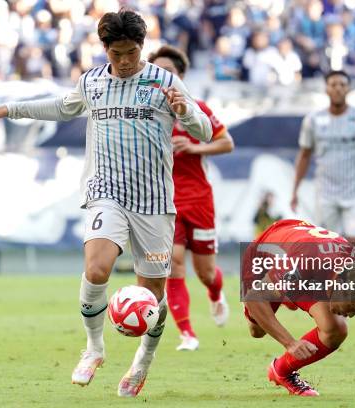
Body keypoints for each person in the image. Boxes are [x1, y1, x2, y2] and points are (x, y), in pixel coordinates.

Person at [0, 9, 212, 398]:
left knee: (152, 296)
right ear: (105, 50)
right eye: (116, 54)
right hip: (106, 193)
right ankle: (93, 348)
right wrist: (11, 109)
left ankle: (142, 362)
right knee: (97, 268)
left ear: (142, 47)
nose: (124, 61)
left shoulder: (165, 81)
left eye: (131, 52)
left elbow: (203, 127)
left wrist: (184, 112)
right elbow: (60, 107)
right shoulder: (93, 82)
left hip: (153, 202)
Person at [242, 219, 355, 400]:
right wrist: (290, 343)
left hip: (307, 270)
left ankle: (281, 371)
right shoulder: (305, 261)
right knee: (257, 330)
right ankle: (285, 294)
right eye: (352, 309)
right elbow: (253, 299)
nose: (351, 315)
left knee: (336, 328)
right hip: (266, 252)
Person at [148, 45, 234, 351]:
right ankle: (187, 333)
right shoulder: (146, 113)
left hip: (199, 199)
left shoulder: (197, 109)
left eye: (168, 72)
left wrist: (195, 148)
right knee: (174, 264)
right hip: (164, 201)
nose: (162, 77)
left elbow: (227, 143)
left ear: (181, 76)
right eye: (156, 72)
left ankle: (215, 293)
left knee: (207, 273)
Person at [291, 70, 355, 248]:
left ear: (348, 89)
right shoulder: (313, 120)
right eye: (333, 85)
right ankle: (333, 277)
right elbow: (304, 155)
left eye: (342, 85)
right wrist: (295, 190)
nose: (338, 89)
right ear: (326, 89)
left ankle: (351, 276)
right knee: (328, 250)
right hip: (325, 195)